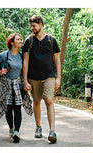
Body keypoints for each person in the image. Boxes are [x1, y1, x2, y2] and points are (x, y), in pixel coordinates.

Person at [22, 15, 61, 144]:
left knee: (49, 100)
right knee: (37, 101)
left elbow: (57, 60)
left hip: (49, 75)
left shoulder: (51, 40)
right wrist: (25, 80)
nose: (32, 28)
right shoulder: (29, 41)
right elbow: (25, 61)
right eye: (31, 26)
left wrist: (58, 78)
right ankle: (38, 127)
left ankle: (52, 131)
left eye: (34, 26)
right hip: (33, 76)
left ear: (41, 24)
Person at [0, 33, 33, 143]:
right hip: (6, 85)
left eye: (21, 39)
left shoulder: (21, 56)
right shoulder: (3, 56)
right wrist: (0, 71)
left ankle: (17, 132)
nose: (20, 41)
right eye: (18, 39)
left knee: (17, 108)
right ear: (11, 42)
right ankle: (11, 128)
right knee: (8, 108)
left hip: (18, 85)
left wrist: (25, 83)